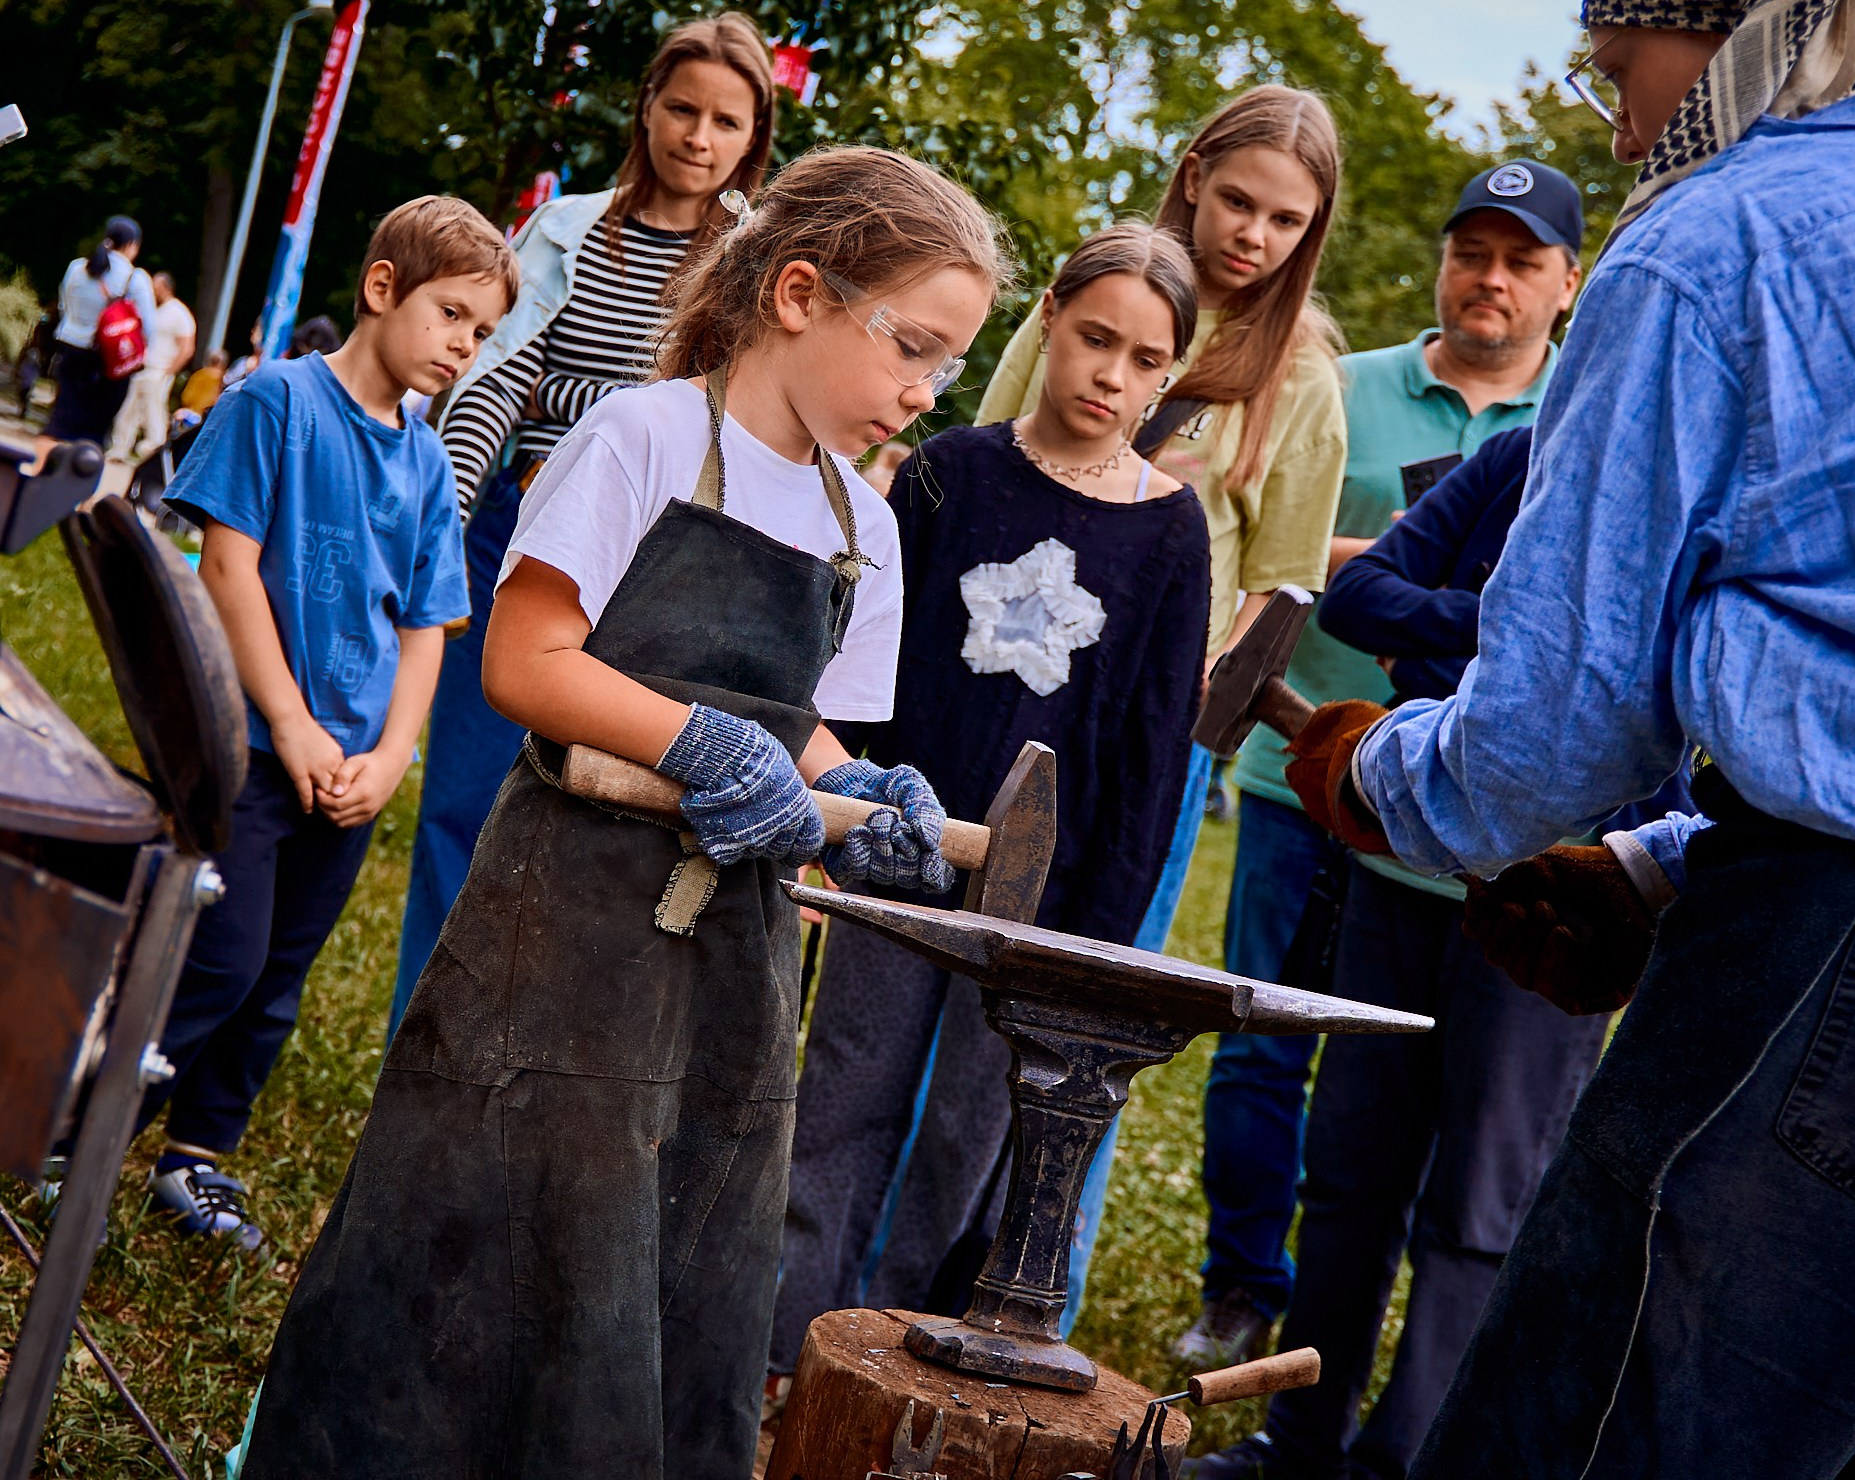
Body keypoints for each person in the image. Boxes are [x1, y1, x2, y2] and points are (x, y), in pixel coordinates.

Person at [1278, 0, 1855, 1476]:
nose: (1625, 133)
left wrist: (1377, 778)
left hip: (1851, 980)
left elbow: (1551, 733)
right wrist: (1671, 864)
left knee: (1572, 1447)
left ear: (1757, 31)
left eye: (1619, 71)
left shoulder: (1723, 232)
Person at [237, 147, 1008, 1480]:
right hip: (564, 927)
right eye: (912, 349)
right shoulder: (646, 436)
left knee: (680, 1236)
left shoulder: (862, 528)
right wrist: (699, 740)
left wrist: (858, 789)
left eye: (948, 368)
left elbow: (808, 725)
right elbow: (526, 661)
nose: (924, 393)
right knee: (494, 1209)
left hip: (733, 965)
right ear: (800, 293)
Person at [770, 222, 1212, 1390]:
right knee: (842, 1100)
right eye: (1092, 338)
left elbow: (1149, 755)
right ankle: (783, 1357)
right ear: (1051, 320)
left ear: (1170, 375)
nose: (1108, 376)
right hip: (902, 857)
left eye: (1142, 358)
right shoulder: (949, 473)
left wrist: (1091, 943)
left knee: (969, 1134)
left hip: (1043, 905)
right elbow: (862, 675)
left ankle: (898, 1364)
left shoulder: (1171, 529)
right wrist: (835, 830)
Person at [1176, 161, 1587, 1378]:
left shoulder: (1578, 421)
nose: (1491, 278)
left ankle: (1387, 1366)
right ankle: (1246, 1288)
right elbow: (1286, 548)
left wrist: (1440, 600)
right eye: (1473, 251)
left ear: (1566, 285)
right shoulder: (1339, 387)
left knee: (1424, 1112)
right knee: (1263, 1041)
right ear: (1442, 260)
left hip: (1474, 818)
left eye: (1521, 260)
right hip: (1297, 770)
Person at [977, 82, 1349, 1309]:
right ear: (1191, 176)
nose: (1252, 234)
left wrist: (1176, 703)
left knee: (1085, 1019)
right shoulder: (1098, 298)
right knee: (953, 988)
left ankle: (1034, 1295)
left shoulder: (1300, 380)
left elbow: (1280, 587)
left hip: (1149, 738)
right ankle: (872, 1284)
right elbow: (977, 475)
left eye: (1285, 220)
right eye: (1235, 199)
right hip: (1004, 687)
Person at [389, 11, 776, 1040]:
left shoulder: (748, 266)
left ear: (753, 138)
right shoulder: (565, 227)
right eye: (680, 108)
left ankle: (526, 1060)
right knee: (462, 808)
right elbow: (492, 380)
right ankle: (420, 1043)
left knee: (600, 824)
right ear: (644, 105)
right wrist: (448, 529)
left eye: (724, 121)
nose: (697, 136)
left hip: (655, 566)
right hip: (519, 529)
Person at [145, 196, 517, 1248]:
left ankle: (196, 1157)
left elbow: (428, 630)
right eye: (451, 315)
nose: (463, 347)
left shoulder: (432, 464)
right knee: (219, 955)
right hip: (251, 749)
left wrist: (391, 755)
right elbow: (226, 568)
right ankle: (77, 1122)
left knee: (275, 977)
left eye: (483, 333)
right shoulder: (277, 403)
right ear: (381, 288)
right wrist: (294, 727)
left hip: (349, 774)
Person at [45, 215, 155, 448]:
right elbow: (148, 328)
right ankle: (78, 477)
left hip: (70, 349)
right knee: (94, 429)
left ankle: (41, 473)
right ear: (132, 245)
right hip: (107, 361)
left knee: (61, 418)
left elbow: (64, 306)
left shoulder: (76, 268)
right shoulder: (135, 279)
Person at [104, 271, 196, 470]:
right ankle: (120, 447)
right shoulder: (157, 310)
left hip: (160, 369)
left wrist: (169, 371)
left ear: (164, 286)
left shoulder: (179, 313)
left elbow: (187, 348)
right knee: (128, 410)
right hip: (143, 367)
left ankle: (153, 452)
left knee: (154, 413)